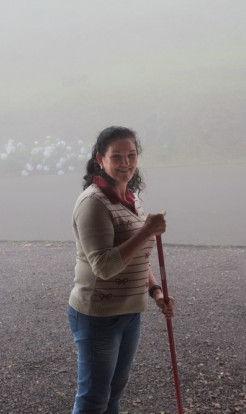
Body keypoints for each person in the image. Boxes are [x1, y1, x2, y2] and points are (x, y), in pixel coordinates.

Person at [68, 126, 176, 413]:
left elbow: (138, 257)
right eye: (117, 156)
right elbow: (104, 266)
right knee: (94, 398)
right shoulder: (93, 203)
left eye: (131, 155)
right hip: (98, 314)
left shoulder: (131, 199)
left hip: (130, 312)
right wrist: (146, 232)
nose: (125, 163)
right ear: (100, 159)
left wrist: (155, 291)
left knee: (114, 393)